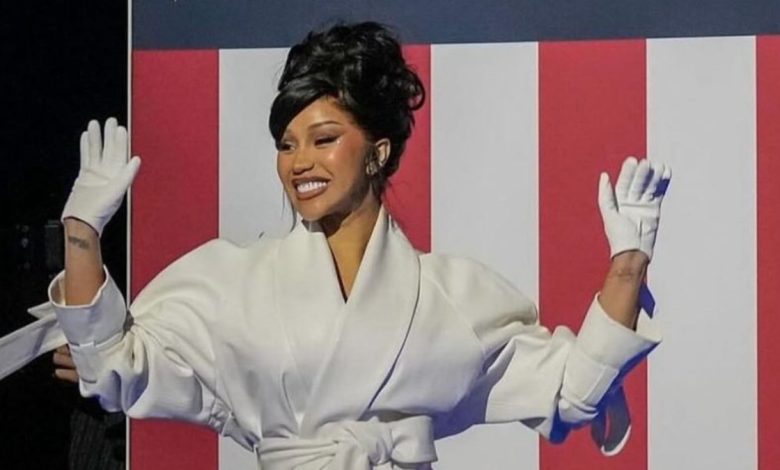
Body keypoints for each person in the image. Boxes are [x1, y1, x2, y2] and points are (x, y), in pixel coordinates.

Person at [47, 22, 670, 469]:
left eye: (323, 139)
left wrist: (628, 266)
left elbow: (575, 392)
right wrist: (81, 233)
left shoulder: (456, 297)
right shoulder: (231, 280)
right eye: (286, 145)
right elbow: (113, 371)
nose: (299, 162)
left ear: (378, 152)